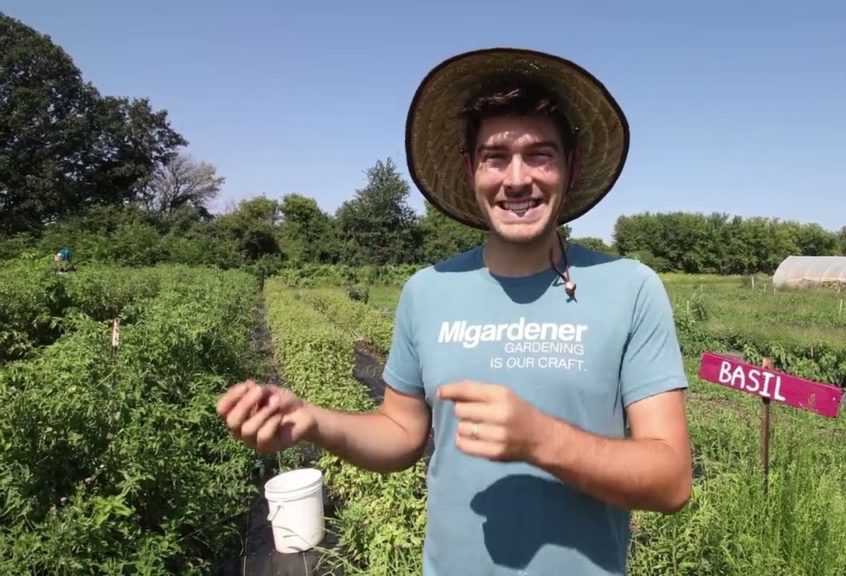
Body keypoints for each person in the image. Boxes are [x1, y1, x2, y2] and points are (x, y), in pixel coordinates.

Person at [216, 47, 692, 575]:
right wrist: (314, 421)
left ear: (570, 167)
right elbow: (400, 434)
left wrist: (541, 439)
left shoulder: (630, 288)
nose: (516, 179)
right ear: (471, 170)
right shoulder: (428, 290)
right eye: (494, 156)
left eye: (540, 154)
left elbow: (670, 479)